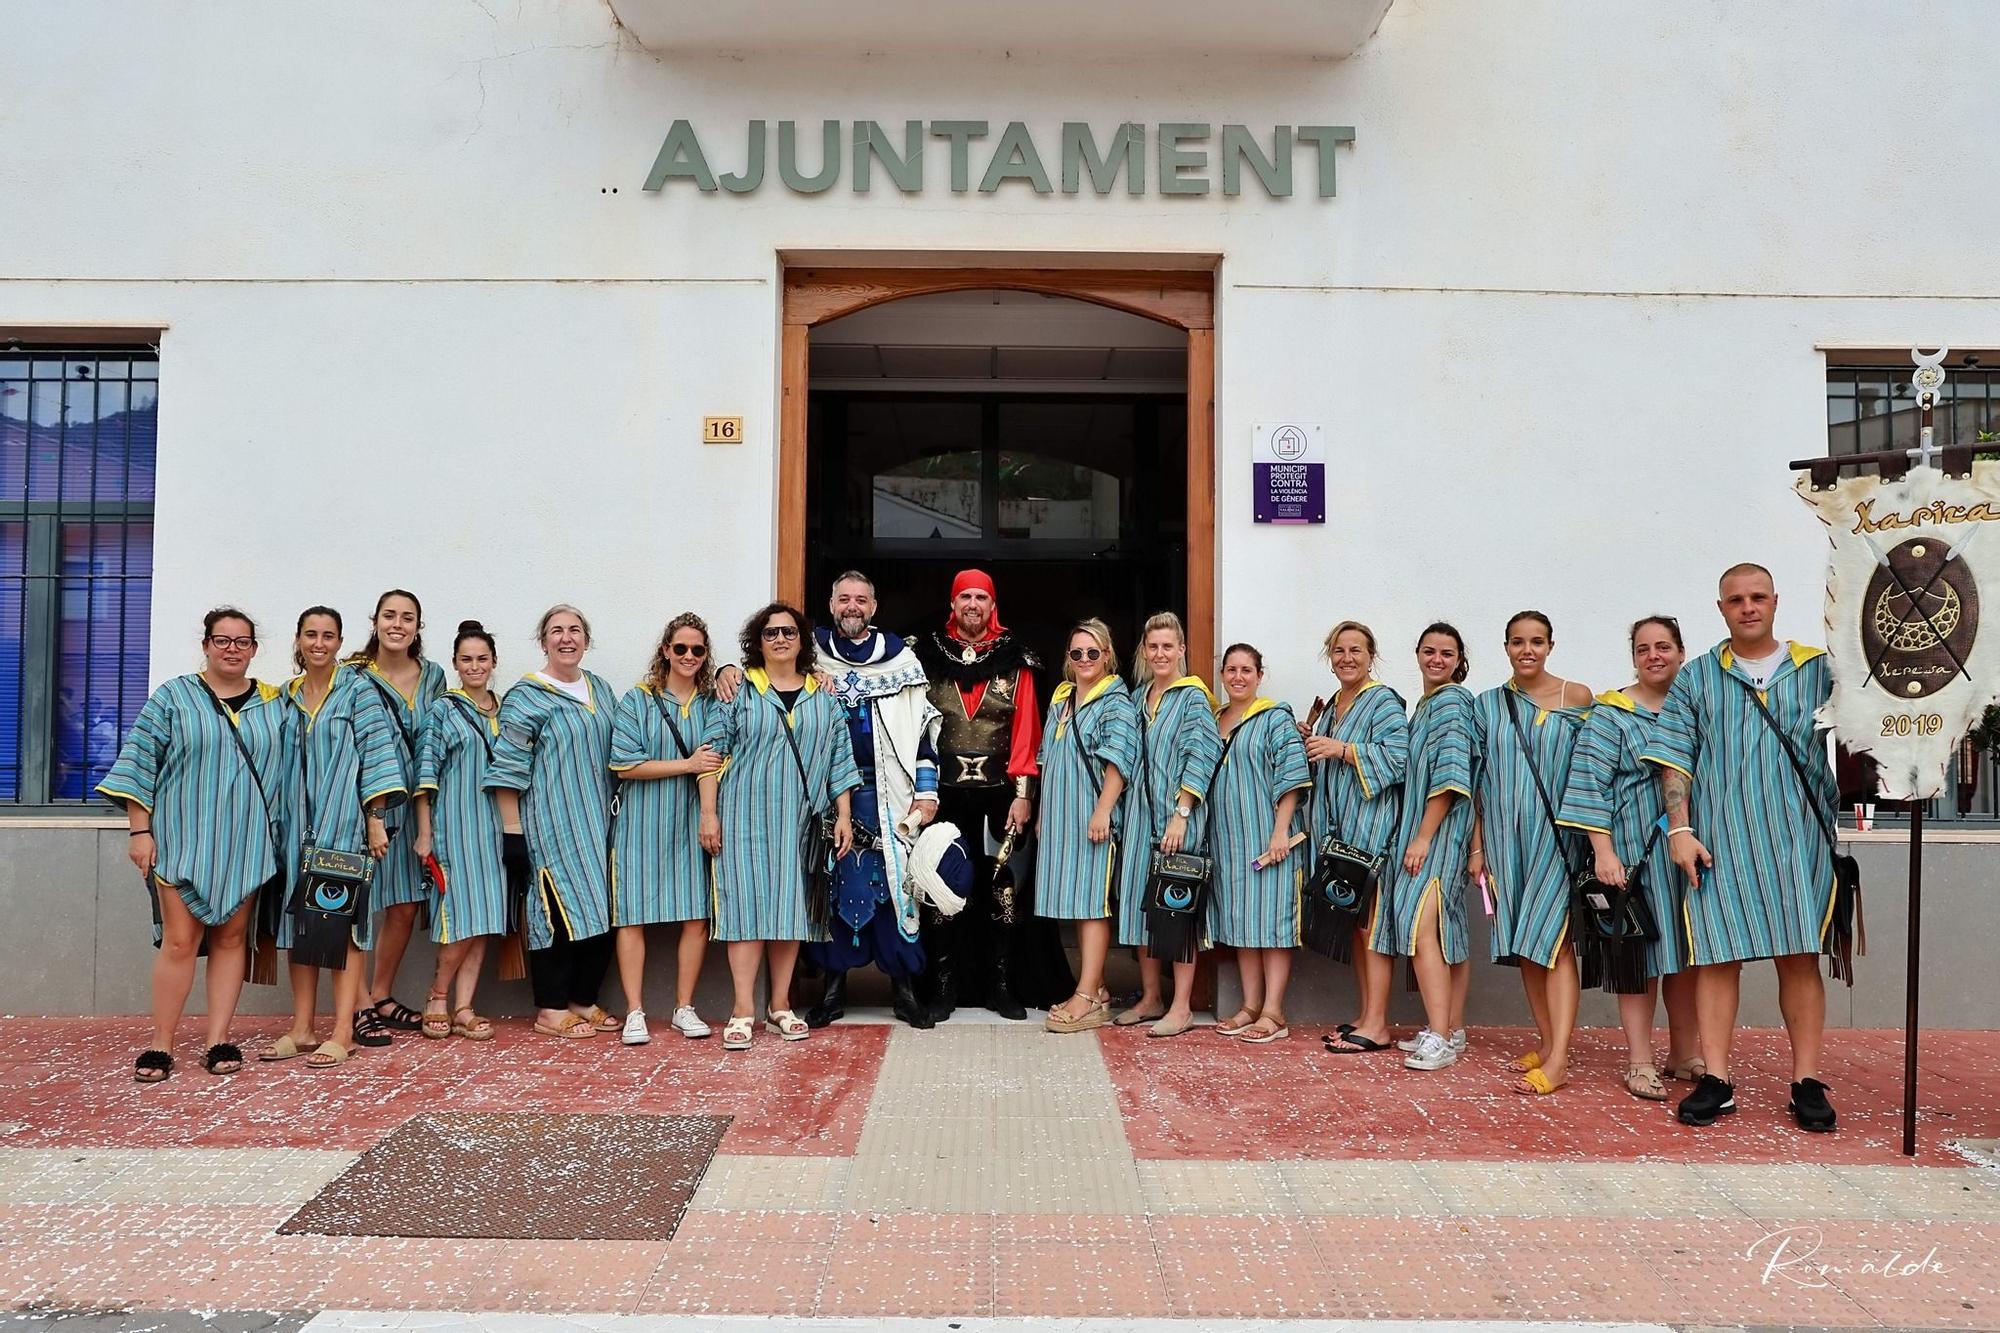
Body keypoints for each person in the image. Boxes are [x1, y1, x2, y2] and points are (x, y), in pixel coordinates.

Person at [1644, 563, 1840, 1132]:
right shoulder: (1699, 676)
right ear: (1721, 608)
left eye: (1757, 597)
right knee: (1715, 959)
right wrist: (1679, 830)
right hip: (1718, 840)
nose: (1747, 607)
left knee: (1799, 956)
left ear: (1775, 601)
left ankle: (1806, 1081)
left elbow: (1870, 728)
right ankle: (1718, 1080)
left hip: (1796, 838)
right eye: (1736, 599)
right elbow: (1675, 758)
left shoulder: (1819, 671)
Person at [99, 608, 293, 1082]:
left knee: (231, 940)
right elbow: (140, 762)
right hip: (182, 840)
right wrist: (139, 831)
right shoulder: (173, 697)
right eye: (222, 640)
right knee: (180, 942)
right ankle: (160, 1044)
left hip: (245, 843)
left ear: (254, 649)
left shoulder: (273, 704)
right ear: (205, 644)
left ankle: (218, 1039)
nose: (232, 649)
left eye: (242, 641)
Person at [698, 603, 859, 1050]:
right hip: (743, 818)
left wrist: (843, 816)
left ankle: (781, 1006)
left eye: (789, 631)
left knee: (790, 914)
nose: (781, 639)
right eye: (771, 633)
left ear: (803, 640)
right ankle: (742, 1010)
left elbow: (838, 760)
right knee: (746, 914)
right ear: (758, 641)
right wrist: (709, 814)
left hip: (800, 821)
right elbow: (711, 756)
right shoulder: (738, 691)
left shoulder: (823, 695)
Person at [1557, 615, 1702, 1100]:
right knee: (1637, 959)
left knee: (1686, 958)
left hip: (1691, 856)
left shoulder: (1696, 708)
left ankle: (1683, 1053)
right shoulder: (1611, 714)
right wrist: (1603, 852)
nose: (1654, 655)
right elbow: (1587, 784)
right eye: (1644, 649)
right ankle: (1640, 1062)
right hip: (1633, 859)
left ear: (1681, 652)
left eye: (1664, 646)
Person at [263, 606, 407, 1070]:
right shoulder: (283, 698)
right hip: (294, 835)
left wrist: (375, 818)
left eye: (328, 635)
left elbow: (379, 757)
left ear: (340, 642)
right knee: (299, 930)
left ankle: (343, 1030)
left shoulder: (358, 692)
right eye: (311, 634)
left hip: (342, 830)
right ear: (299, 640)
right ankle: (302, 1027)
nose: (319, 643)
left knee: (344, 929)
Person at [911, 569, 1057, 1020]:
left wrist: (1024, 793)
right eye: (965, 597)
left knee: (1003, 891)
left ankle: (1001, 986)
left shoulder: (1017, 657)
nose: (973, 604)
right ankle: (942, 989)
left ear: (993, 605)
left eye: (981, 597)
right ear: (952, 604)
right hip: (943, 794)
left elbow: (1026, 731)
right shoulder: (923, 656)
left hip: (1000, 793)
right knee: (940, 886)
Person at [803, 573, 941, 1030]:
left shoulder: (902, 659)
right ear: (831, 603)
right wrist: (726, 672)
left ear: (874, 607)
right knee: (833, 883)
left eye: (860, 600)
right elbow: (762, 673)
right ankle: (832, 988)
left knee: (895, 886)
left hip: (890, 794)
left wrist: (926, 793)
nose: (852, 607)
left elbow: (923, 730)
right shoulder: (809, 654)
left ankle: (902, 992)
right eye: (844, 599)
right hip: (828, 794)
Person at [486, 604, 621, 1040]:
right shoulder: (526, 696)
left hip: (598, 822)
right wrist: (513, 832)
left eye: (575, 630)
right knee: (557, 914)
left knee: (600, 913)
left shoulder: (599, 688)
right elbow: (507, 767)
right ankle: (550, 1005)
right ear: (543, 641)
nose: (567, 638)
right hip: (550, 824)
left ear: (586, 639)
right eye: (557, 631)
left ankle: (582, 998)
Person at [1471, 611, 1592, 1095]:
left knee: (1556, 943)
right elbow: (1478, 783)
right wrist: (1478, 848)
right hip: (1504, 840)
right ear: (1505, 647)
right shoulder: (1487, 706)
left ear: (1550, 645)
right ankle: (1545, 1043)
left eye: (1537, 642)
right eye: (1518, 642)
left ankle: (1560, 1058)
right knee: (1526, 946)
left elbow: (1592, 772)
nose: (1528, 650)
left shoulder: (1577, 698)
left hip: (1558, 841)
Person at [608, 613, 724, 1044]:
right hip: (640, 823)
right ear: (665, 651)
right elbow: (624, 763)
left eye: (697, 650)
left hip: (689, 821)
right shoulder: (637, 700)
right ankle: (635, 1011)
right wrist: (687, 764)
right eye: (681, 648)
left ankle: (683, 1007)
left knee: (696, 916)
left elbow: (712, 763)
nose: (689, 656)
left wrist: (708, 814)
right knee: (631, 917)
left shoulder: (713, 703)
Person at [1113, 612, 1222, 1038]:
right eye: (1152, 646)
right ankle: (1151, 996)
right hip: (1141, 821)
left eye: (1167, 646)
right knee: (1143, 908)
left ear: (1182, 651)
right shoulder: (1139, 697)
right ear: (1144, 651)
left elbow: (1202, 754)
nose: (1160, 654)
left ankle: (1181, 1007)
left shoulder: (1193, 697)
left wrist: (1183, 813)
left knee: (1178, 910)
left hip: (1179, 818)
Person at [349, 589, 450, 1045]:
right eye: (389, 615)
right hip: (366, 804)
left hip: (418, 806)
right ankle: (356, 1005)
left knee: (405, 905)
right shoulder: (353, 676)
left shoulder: (434, 676)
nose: (397, 624)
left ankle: (382, 995)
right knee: (357, 905)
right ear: (375, 621)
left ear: (418, 627)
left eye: (407, 617)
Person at [1307, 622, 1411, 1056]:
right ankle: (1367, 1014)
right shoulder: (1333, 705)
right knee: (1355, 925)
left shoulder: (1383, 701)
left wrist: (1343, 750)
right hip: (1339, 833)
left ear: (1372, 656)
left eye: (1356, 650)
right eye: (1338, 651)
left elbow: (1399, 758)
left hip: (1372, 831)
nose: (1346, 658)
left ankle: (1378, 1023)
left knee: (1372, 926)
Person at [1382, 624, 1479, 1073]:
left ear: (1459, 659)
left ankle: (1438, 1036)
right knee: (1445, 933)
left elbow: (1452, 776)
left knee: (1422, 930)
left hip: (1437, 833)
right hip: (1434, 832)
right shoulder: (1428, 705)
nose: (1436, 659)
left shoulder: (1453, 703)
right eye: (1429, 651)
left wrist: (1423, 835)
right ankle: (1451, 1027)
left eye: (1446, 653)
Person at [1037, 619, 1140, 1034]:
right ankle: (1095, 988)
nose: (1084, 660)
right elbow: (1047, 758)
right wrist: (1044, 812)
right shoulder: (1062, 699)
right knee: (1078, 905)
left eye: (1092, 653)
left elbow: (1119, 761)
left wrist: (1102, 811)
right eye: (1076, 653)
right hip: (1062, 816)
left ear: (1108, 656)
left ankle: (1086, 998)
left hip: (1091, 815)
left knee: (1093, 903)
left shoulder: (1116, 702)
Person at [1206, 643, 1313, 1043]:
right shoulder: (1215, 719)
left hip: (1269, 839)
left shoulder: (1274, 718)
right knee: (1242, 923)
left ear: (1259, 675)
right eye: (1231, 669)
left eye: (1246, 670)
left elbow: (1290, 777)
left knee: (1273, 923)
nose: (1237, 677)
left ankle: (1274, 1011)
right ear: (1222, 675)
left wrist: (1280, 830)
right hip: (1229, 840)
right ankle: (1250, 1006)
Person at [411, 620, 509, 1041]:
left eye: (482, 659)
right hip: (456, 825)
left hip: (497, 828)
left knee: (485, 918)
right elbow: (425, 775)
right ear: (454, 663)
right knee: (459, 918)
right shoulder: (443, 710)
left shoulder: (505, 709)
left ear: (493, 662)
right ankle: (437, 997)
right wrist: (425, 832)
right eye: (466, 659)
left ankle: (465, 1006)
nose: (474, 666)